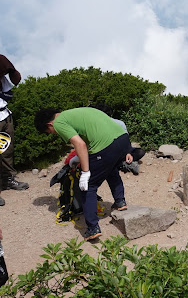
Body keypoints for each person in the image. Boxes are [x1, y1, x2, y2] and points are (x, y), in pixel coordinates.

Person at [34, 107, 133, 240]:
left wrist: (85, 172)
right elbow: (90, 136)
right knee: (110, 169)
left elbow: (80, 144)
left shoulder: (59, 122)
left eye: (48, 132)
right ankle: (120, 202)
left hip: (105, 146)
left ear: (49, 124)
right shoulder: (75, 113)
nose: (53, 133)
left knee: (88, 186)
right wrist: (78, 158)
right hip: (123, 140)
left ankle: (93, 228)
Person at [0, 55, 29, 207]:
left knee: (7, 150)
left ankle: (8, 179)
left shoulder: (2, 79)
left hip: (4, 115)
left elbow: (8, 91)